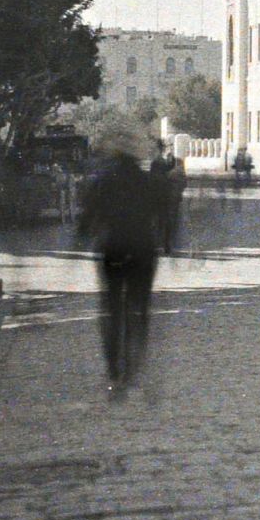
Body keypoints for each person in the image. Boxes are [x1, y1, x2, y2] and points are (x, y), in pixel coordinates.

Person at [79, 141, 162, 397]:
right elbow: (163, 214)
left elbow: (87, 218)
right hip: (143, 250)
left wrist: (81, 238)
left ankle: (114, 370)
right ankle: (133, 365)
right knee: (139, 308)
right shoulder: (147, 181)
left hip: (113, 249)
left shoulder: (103, 180)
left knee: (112, 308)